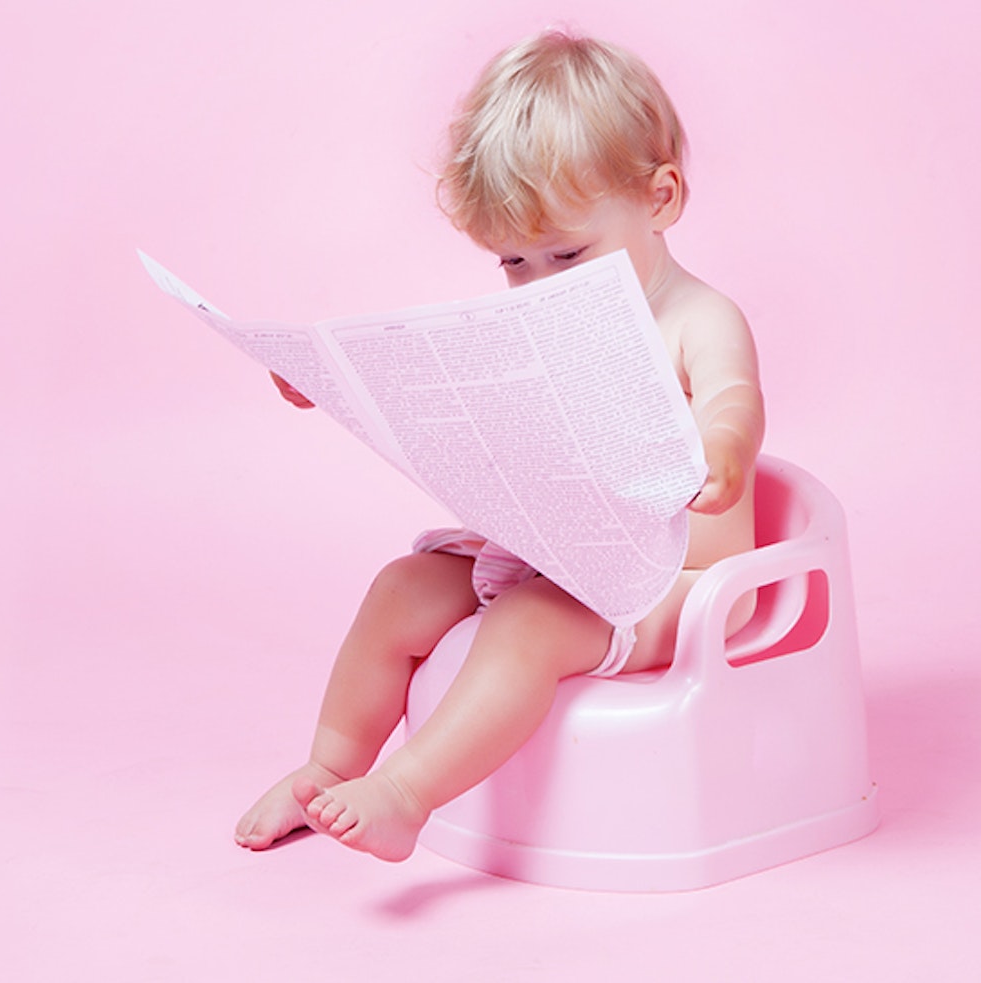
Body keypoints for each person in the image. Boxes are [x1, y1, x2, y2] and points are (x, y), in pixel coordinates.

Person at [237, 29, 765, 862]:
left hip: (676, 585)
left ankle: (406, 793)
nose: (542, 285)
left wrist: (724, 448)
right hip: (552, 554)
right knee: (401, 589)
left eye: (568, 254)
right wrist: (340, 387)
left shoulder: (698, 318)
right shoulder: (545, 320)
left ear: (661, 198)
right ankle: (327, 769)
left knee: (524, 626)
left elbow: (733, 398)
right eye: (515, 263)